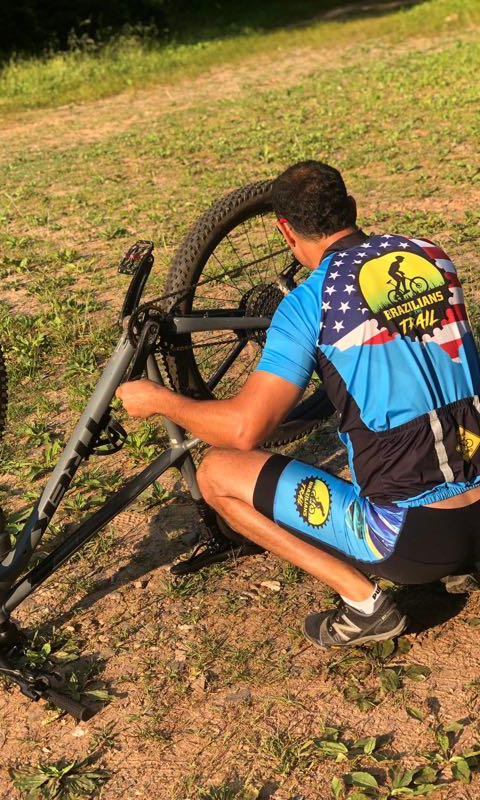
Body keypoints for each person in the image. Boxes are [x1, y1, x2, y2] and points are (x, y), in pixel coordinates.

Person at [116, 161, 480, 648]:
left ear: (285, 230)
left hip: (411, 542)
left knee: (217, 472)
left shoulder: (310, 302)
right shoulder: (430, 255)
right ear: (352, 209)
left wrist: (160, 399)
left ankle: (365, 606)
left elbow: (244, 430)